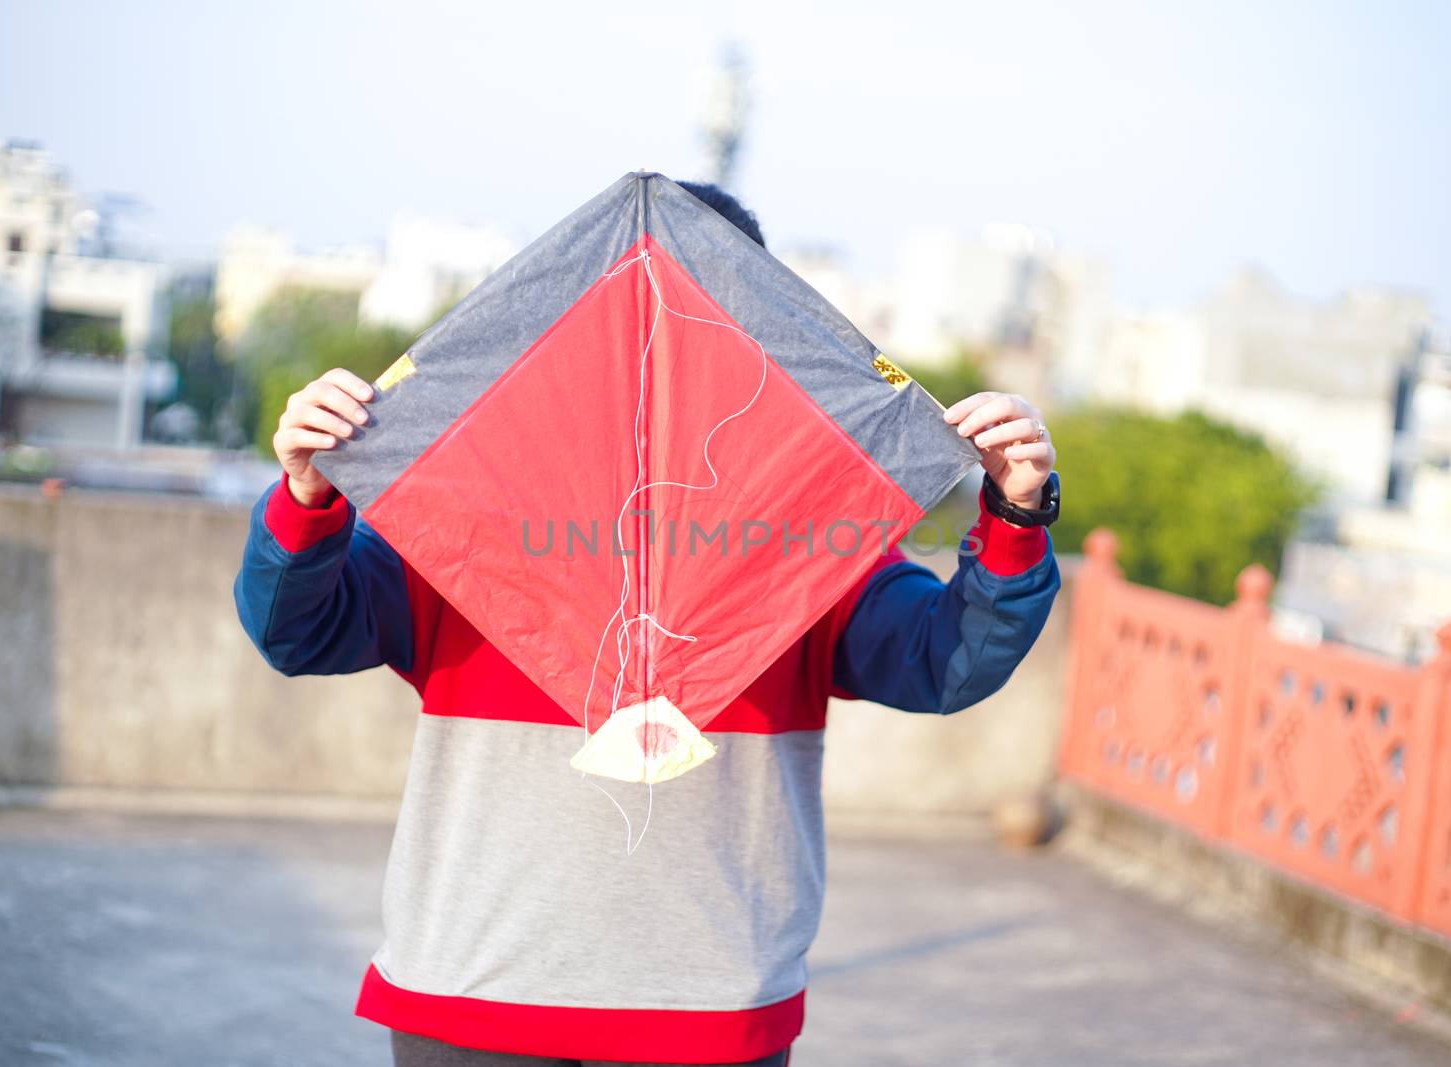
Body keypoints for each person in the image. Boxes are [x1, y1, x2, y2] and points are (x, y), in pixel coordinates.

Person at [234, 182, 1062, 1067]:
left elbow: (943, 662)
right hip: (470, 994)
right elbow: (299, 630)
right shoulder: (469, 508)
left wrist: (1015, 515)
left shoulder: (808, 534)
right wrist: (307, 496)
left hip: (706, 1008)